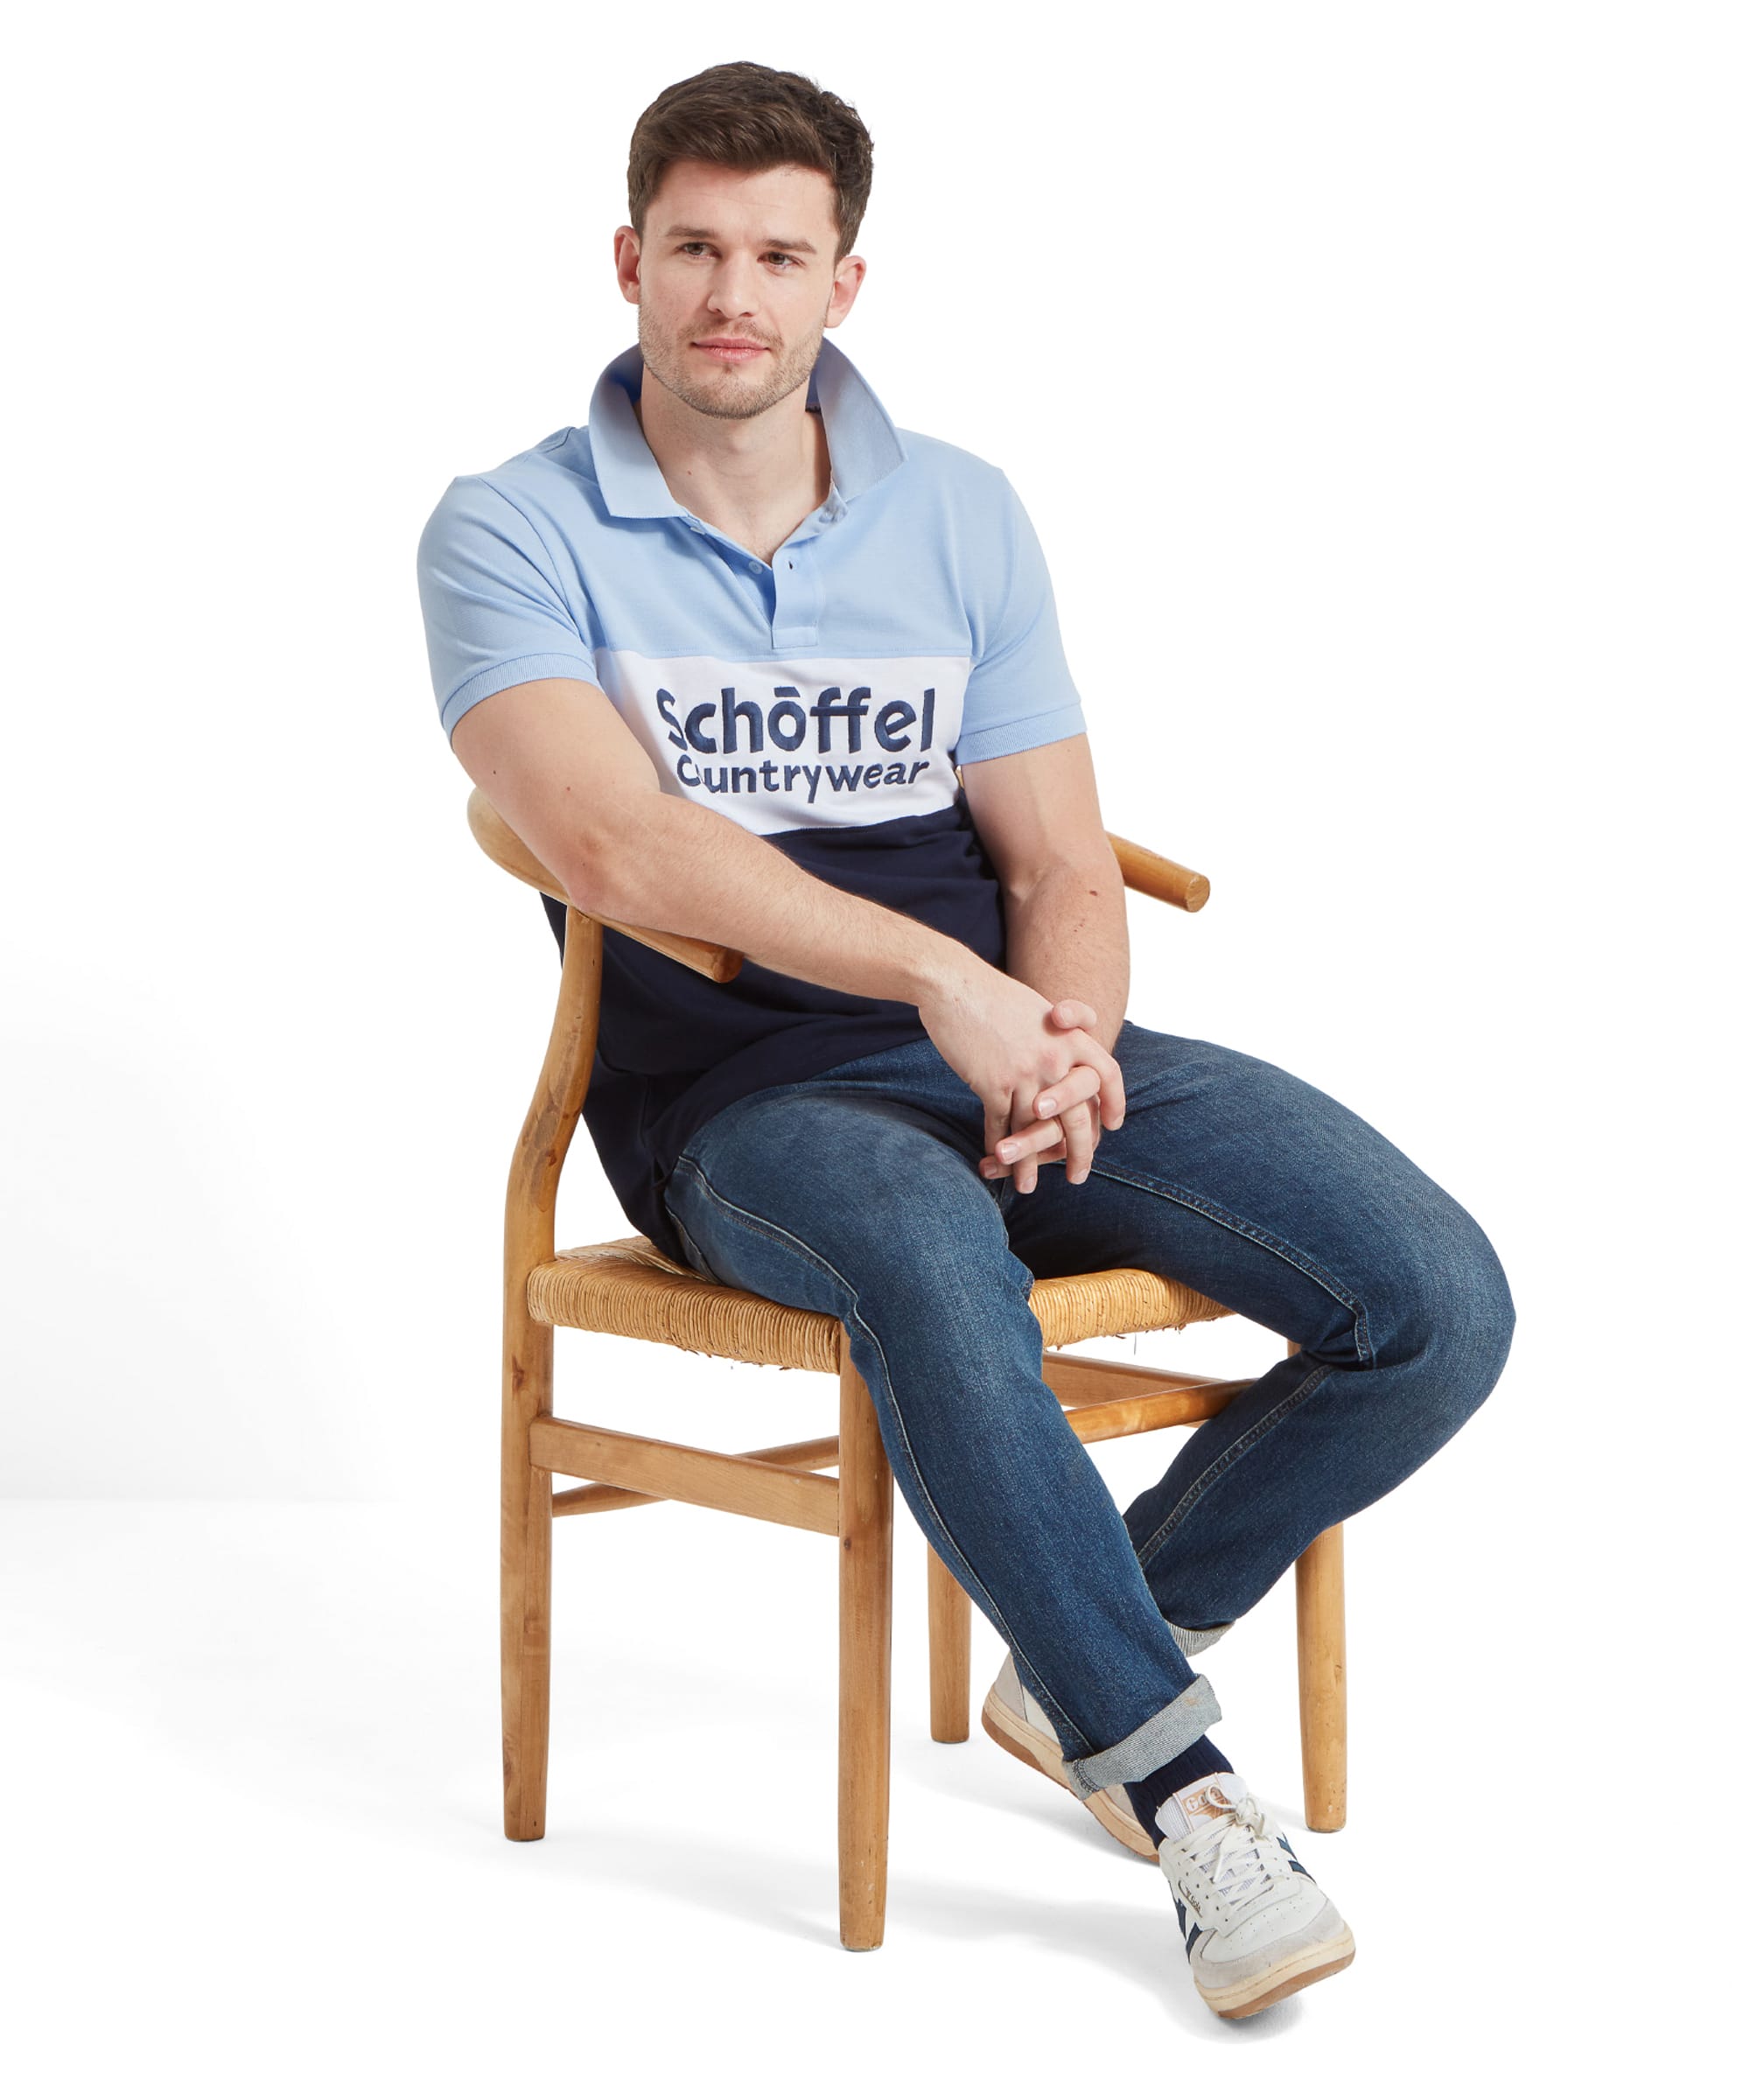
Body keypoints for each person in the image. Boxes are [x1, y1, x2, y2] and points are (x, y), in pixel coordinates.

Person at [416, 60, 1514, 2018]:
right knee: (928, 1262)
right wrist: (941, 986)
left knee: (1433, 1296)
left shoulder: (961, 512)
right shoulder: (511, 528)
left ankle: (1103, 1634)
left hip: (997, 1044)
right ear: (627, 263)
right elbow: (606, 831)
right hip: (735, 1106)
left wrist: (1061, 1043)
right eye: (692, 249)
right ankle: (1182, 1794)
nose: (731, 293)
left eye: (778, 252)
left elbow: (1058, 854)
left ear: (849, 280)